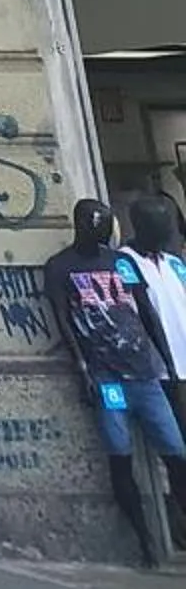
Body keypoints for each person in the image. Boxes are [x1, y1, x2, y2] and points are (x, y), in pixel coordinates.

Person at [42, 196, 186, 566]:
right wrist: (83, 370)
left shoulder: (120, 262)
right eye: (97, 222)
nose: (103, 229)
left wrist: (165, 361)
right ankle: (146, 541)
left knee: (176, 451)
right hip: (108, 380)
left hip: (144, 374)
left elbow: (146, 311)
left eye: (106, 222)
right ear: (81, 224)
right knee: (120, 454)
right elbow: (63, 319)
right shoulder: (61, 267)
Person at [128, 195, 186, 433]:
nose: (167, 234)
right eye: (160, 227)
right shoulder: (126, 261)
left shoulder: (174, 262)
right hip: (161, 368)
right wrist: (168, 363)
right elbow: (144, 314)